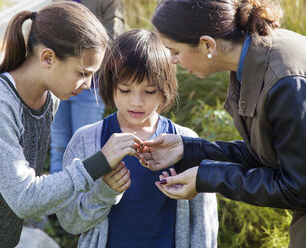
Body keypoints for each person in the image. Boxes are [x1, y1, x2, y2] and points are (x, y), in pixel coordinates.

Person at [136, 0, 306, 247]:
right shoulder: (255, 58)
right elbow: (268, 154)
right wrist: (188, 150)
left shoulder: (288, 83)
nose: (171, 61)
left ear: (207, 44)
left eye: (175, 51)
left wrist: (207, 178)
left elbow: (301, 190)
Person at [0, 2, 143, 248]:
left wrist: (105, 190)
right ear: (47, 58)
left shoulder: (50, 98)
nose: (89, 84)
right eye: (83, 73)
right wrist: (99, 161)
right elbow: (25, 197)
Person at [56, 29, 218, 248]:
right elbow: (70, 222)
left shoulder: (186, 141)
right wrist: (104, 192)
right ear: (110, 86)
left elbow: (204, 225)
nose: (137, 102)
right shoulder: (87, 140)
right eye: (125, 90)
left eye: (149, 91)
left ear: (165, 90)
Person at [49, 0, 126, 174]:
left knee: (86, 149)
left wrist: (79, 64)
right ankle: (56, 199)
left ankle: (83, 200)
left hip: (89, 86)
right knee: (59, 147)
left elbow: (112, 39)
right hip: (59, 83)